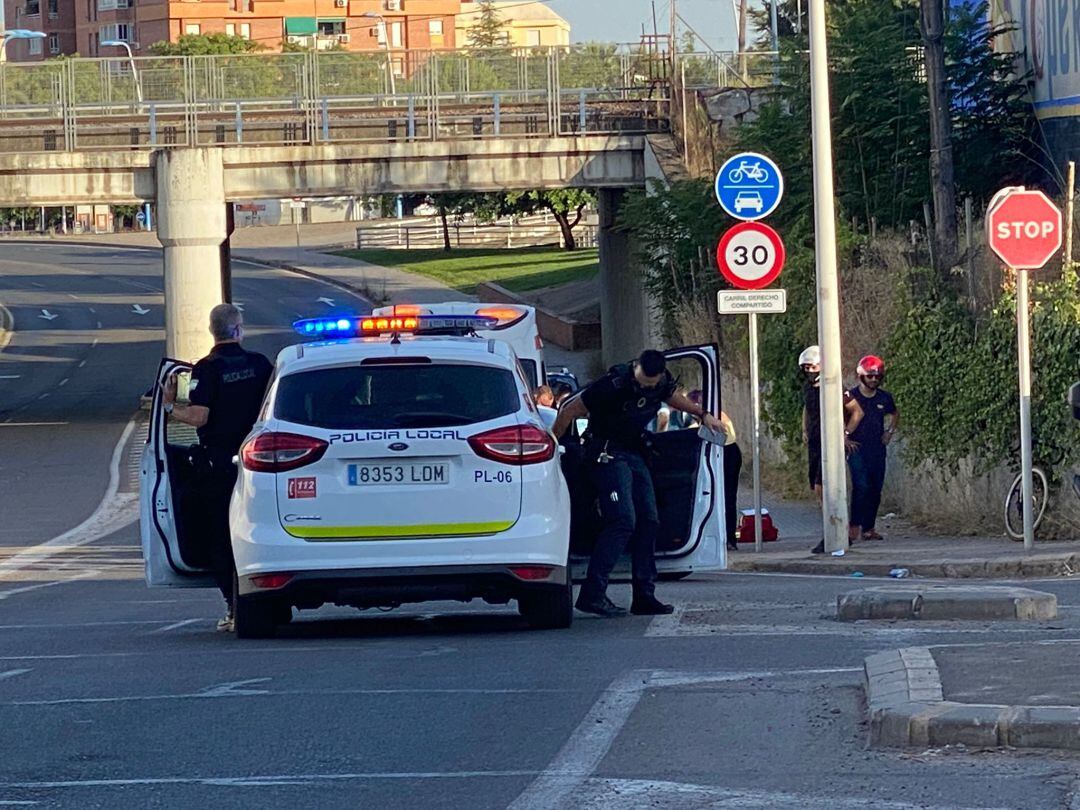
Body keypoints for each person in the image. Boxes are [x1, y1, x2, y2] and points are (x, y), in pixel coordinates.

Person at [552, 350, 723, 617]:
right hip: (605, 453)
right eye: (643, 382)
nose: (646, 387)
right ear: (636, 368)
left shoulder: (661, 382)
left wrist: (703, 414)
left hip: (633, 451)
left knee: (650, 520)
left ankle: (644, 595)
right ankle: (592, 595)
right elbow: (569, 409)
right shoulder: (612, 384)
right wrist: (553, 445)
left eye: (651, 385)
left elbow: (672, 397)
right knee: (622, 521)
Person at [162, 304, 273, 632]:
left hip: (219, 464)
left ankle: (234, 606)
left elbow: (199, 417)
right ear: (238, 329)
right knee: (255, 531)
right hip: (259, 462)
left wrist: (169, 406)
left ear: (213, 331)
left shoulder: (206, 369)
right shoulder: (260, 364)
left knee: (222, 537)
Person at [799, 345, 863, 554]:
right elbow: (807, 409)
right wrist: (805, 429)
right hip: (815, 444)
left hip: (831, 444)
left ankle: (837, 531)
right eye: (806, 368)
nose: (809, 371)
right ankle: (831, 528)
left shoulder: (834, 387)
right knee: (817, 488)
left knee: (824, 487)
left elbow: (856, 411)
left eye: (812, 367)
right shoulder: (810, 388)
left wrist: (844, 434)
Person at [847, 355, 899, 542]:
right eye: (870, 376)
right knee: (861, 486)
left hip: (877, 449)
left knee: (875, 489)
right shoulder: (852, 397)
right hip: (857, 449)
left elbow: (894, 413)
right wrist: (845, 438)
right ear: (861, 376)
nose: (873, 380)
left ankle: (868, 528)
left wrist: (890, 431)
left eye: (877, 377)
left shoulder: (884, 398)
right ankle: (854, 526)